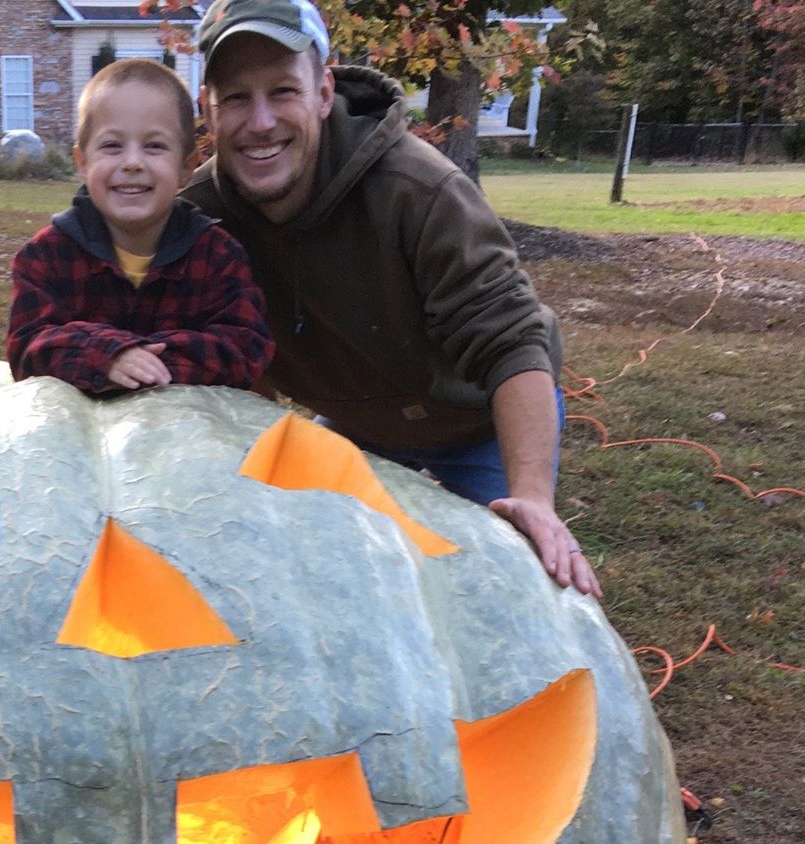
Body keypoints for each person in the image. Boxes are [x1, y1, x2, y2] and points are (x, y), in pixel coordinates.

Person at [184, 0, 601, 597]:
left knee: (507, 592)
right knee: (323, 582)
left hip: (474, 416)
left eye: (282, 91)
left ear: (324, 93)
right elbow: (213, 354)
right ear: (208, 109)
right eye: (235, 98)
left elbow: (511, 341)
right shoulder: (201, 220)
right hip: (360, 422)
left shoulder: (418, 191)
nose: (260, 122)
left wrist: (532, 497)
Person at [7, 59, 274, 394]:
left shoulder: (219, 257)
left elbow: (245, 347)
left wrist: (150, 363)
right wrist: (105, 354)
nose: (132, 163)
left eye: (154, 146)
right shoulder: (45, 258)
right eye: (112, 145)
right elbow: (27, 348)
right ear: (82, 162)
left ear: (187, 166)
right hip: (78, 441)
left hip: (187, 437)